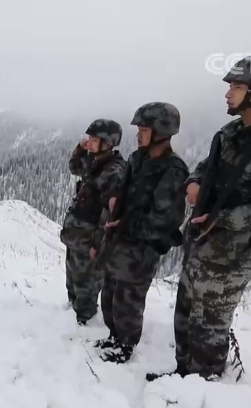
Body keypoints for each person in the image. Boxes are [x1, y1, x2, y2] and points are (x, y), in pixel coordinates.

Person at [148, 55, 251, 382]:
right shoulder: (232, 131)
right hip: (200, 244)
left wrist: (222, 219)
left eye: (236, 87)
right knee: (185, 318)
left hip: (231, 255)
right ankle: (183, 377)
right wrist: (194, 182)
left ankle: (203, 386)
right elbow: (207, 166)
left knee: (209, 327)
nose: (227, 93)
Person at [95, 102, 188, 363]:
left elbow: (165, 220)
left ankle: (125, 345)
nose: (137, 134)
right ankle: (114, 336)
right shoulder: (137, 159)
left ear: (161, 132)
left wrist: (124, 225)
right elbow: (122, 194)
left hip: (141, 249)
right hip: (120, 242)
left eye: (143, 129)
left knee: (128, 301)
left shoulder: (173, 170)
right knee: (110, 295)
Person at [60, 119, 127, 326]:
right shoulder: (95, 162)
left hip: (89, 239)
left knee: (86, 283)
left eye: (94, 139)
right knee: (72, 277)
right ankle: (73, 309)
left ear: (107, 143)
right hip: (76, 235)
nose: (89, 142)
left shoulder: (114, 172)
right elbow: (74, 167)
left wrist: (97, 244)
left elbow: (109, 214)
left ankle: (84, 322)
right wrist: (80, 149)